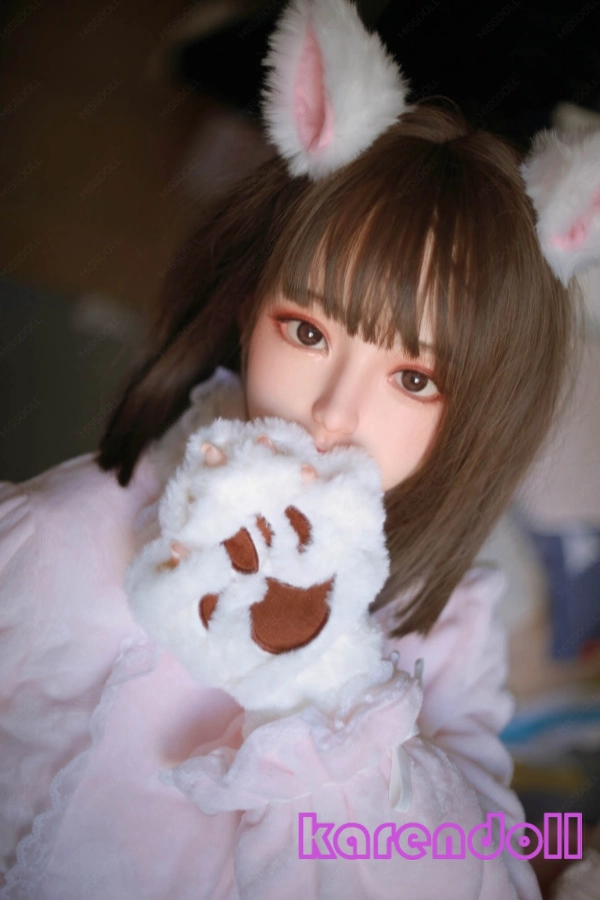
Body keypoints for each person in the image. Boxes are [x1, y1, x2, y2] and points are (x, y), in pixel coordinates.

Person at [1, 0, 599, 897]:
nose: (334, 413)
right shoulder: (62, 533)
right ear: (251, 310)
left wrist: (321, 682)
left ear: (476, 412)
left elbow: (485, 879)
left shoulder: (449, 631)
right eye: (309, 331)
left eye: (414, 378)